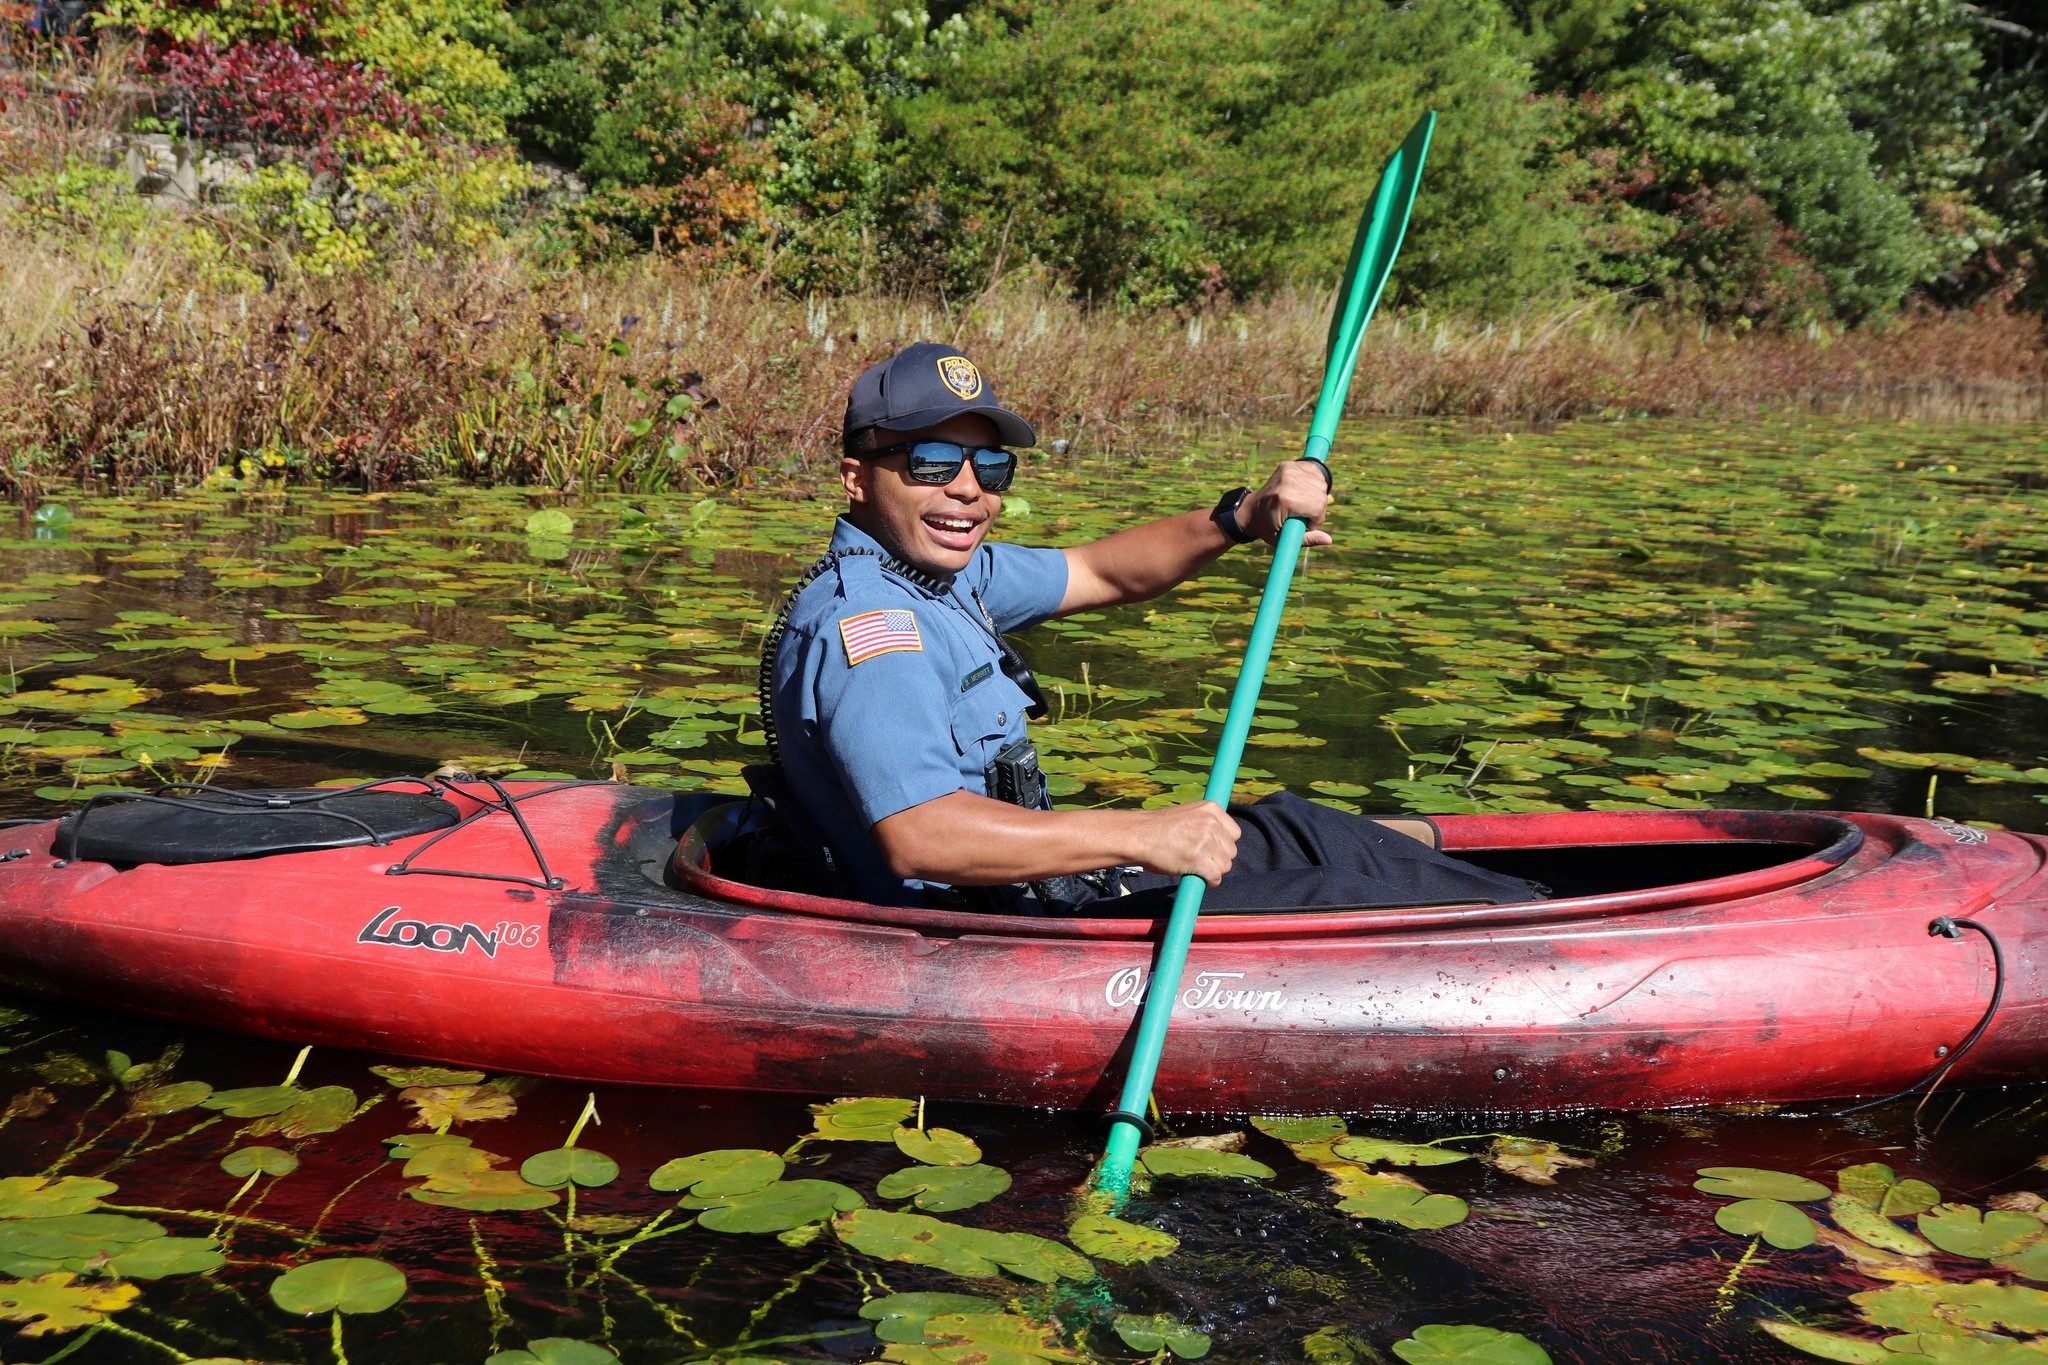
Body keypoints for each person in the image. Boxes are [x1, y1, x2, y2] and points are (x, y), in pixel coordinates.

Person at [756, 342, 1543, 914]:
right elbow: (922, 837)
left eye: (990, 468)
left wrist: (1242, 516)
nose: (968, 491)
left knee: (1296, 829)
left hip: (1060, 884)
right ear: (859, 479)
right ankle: (1543, 933)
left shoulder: (944, 574)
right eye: (931, 462)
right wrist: (1143, 835)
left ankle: (1536, 903)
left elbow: (1105, 570)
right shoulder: (874, 626)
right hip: (1001, 931)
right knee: (1336, 893)